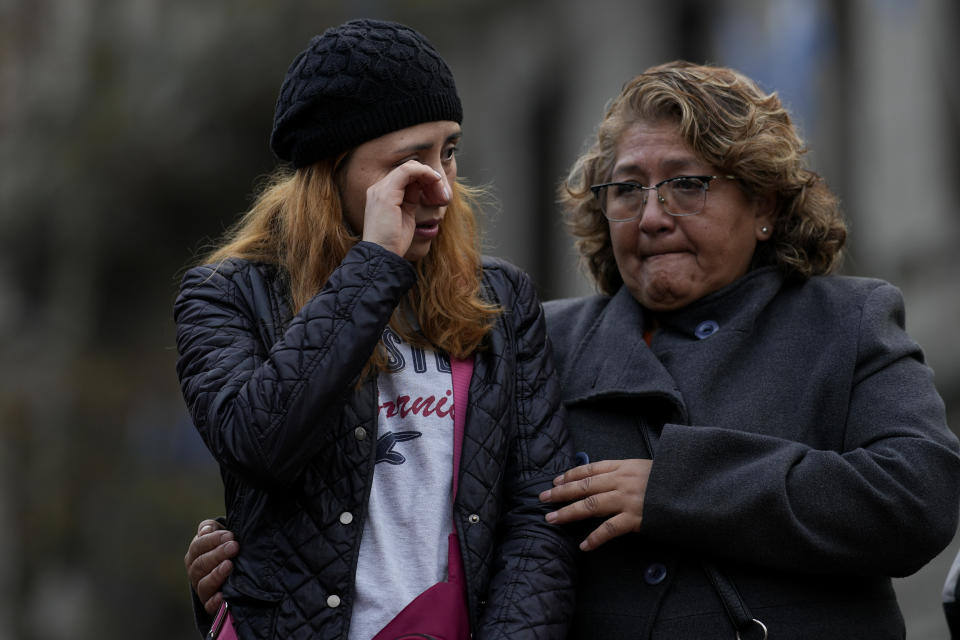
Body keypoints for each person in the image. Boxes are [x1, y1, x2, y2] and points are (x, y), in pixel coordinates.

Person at [184, 60, 960, 639]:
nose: (650, 215)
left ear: (761, 203)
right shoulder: (541, 337)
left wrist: (677, 488)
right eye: (625, 189)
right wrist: (257, 562)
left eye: (685, 184)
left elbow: (916, 500)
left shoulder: (846, 321)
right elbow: (430, 513)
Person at [174, 18, 575, 640]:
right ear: (331, 171)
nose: (440, 186)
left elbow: (537, 518)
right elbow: (261, 444)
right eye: (408, 161)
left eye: (449, 151)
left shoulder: (498, 297)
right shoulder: (228, 294)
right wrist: (375, 264)